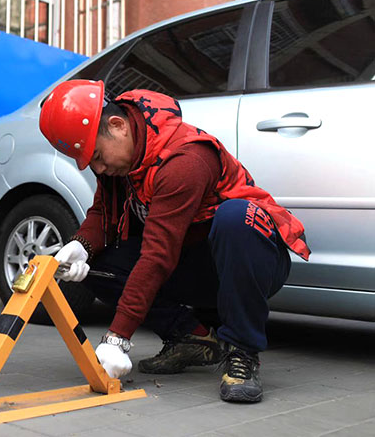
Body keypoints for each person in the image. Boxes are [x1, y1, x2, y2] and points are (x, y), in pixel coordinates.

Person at [39, 81, 310, 403]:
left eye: (97, 156)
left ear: (117, 125)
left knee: (236, 217)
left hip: (250, 260)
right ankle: (192, 339)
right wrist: (80, 244)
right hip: (194, 260)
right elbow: (102, 212)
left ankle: (243, 352)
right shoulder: (124, 160)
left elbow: (158, 254)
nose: (98, 168)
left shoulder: (184, 158)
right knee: (97, 262)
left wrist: (117, 338)